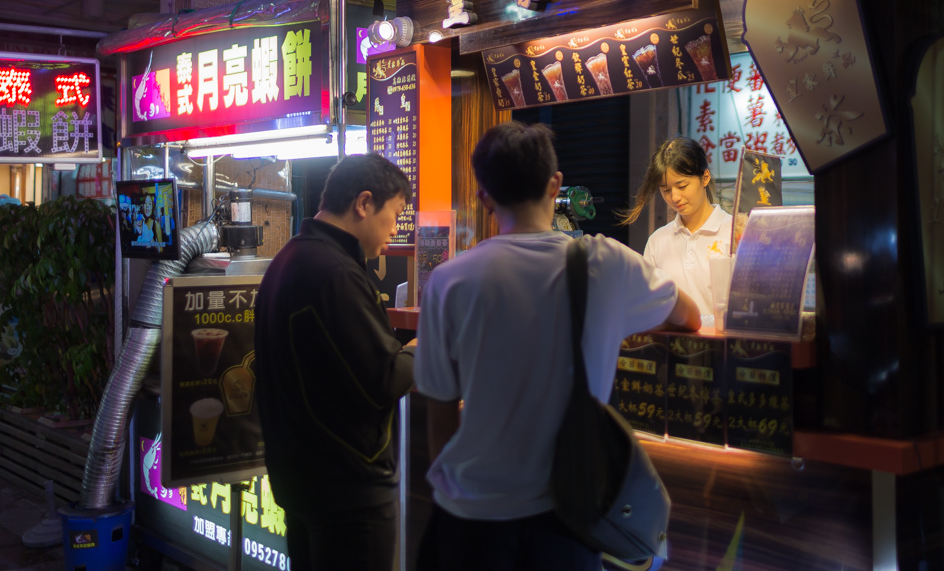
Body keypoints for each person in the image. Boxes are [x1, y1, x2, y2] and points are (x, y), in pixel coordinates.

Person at [414, 122, 700, 571]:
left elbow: (440, 414)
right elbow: (690, 315)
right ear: (555, 185)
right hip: (567, 516)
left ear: (484, 196)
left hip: (470, 517)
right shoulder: (607, 262)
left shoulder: (449, 281)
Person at [254, 153, 416, 571]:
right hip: (349, 493)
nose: (396, 229)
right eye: (395, 214)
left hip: (303, 484)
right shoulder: (334, 273)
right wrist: (421, 349)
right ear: (363, 203)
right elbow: (384, 377)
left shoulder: (289, 259)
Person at [620, 135, 733, 318]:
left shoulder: (734, 233)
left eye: (682, 186)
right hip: (670, 345)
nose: (674, 197)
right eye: (666, 190)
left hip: (721, 345)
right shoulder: (657, 241)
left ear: (704, 178)